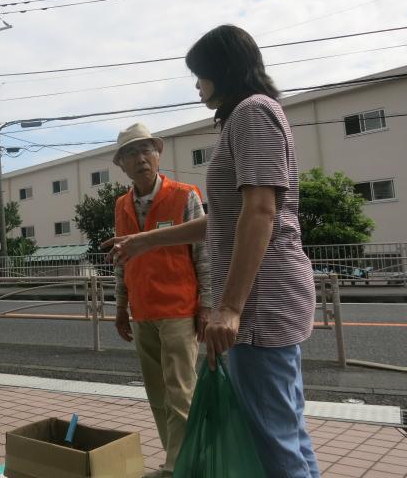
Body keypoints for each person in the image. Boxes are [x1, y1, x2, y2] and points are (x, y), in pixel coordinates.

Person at [105, 26, 320, 478]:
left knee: (273, 443)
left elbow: (261, 212)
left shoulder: (252, 113)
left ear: (221, 71)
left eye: (200, 74)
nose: (197, 85)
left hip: (259, 304)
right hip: (255, 302)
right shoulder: (249, 115)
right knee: (286, 432)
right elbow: (226, 219)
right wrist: (142, 242)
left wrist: (229, 308)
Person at [110, 123, 211, 478]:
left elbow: (204, 253)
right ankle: (175, 462)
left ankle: (184, 468)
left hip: (180, 310)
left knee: (181, 393)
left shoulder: (185, 196)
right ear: (121, 163)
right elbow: (122, 259)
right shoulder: (122, 205)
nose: (141, 159)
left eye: (146, 150)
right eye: (131, 153)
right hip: (142, 311)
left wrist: (208, 305)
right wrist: (120, 306)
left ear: (158, 154)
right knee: (156, 393)